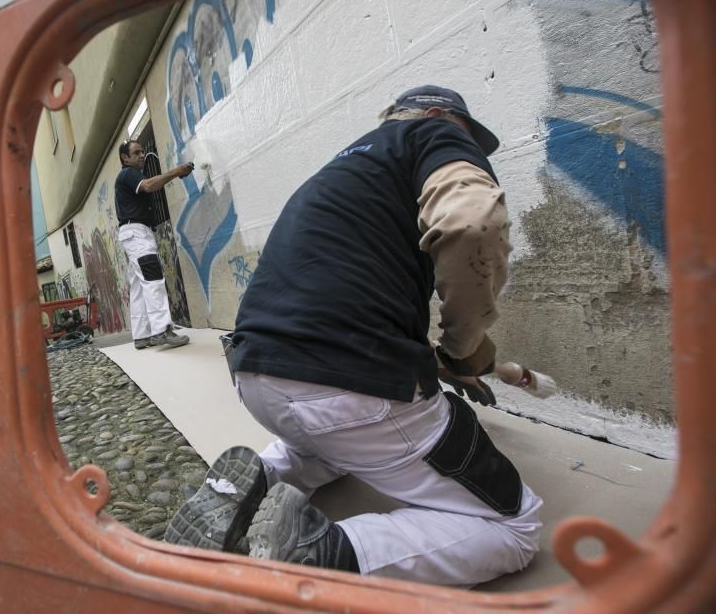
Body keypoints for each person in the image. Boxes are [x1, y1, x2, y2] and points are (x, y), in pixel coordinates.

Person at [164, 86, 543, 587]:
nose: (469, 148)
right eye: (468, 137)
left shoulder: (345, 174)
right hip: (346, 391)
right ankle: (328, 553)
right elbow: (474, 224)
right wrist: (464, 348)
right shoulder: (431, 133)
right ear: (434, 115)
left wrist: (438, 363)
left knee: (328, 444)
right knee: (516, 525)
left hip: (257, 375)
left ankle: (255, 480)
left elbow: (342, 306)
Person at [115, 139, 193, 350]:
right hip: (137, 234)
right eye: (137, 152)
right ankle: (161, 331)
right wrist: (176, 171)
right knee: (153, 280)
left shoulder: (129, 176)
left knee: (140, 286)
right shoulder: (128, 173)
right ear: (125, 158)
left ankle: (142, 335)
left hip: (133, 233)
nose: (142, 155)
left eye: (143, 152)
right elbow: (149, 185)